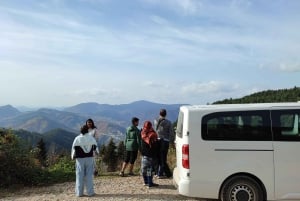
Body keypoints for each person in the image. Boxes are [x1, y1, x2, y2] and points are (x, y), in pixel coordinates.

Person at [71, 125, 99, 197]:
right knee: (89, 175)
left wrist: (72, 156)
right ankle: (90, 192)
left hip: (80, 159)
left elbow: (73, 149)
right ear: (88, 130)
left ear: (81, 131)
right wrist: (97, 153)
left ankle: (79, 193)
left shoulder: (77, 138)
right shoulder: (91, 138)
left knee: (79, 175)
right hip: (89, 158)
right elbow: (96, 147)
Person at [154, 109, 174, 178]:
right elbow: (171, 133)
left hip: (157, 140)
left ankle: (157, 172)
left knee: (158, 157)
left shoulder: (156, 121)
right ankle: (160, 173)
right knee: (163, 157)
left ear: (159, 114)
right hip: (165, 141)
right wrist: (171, 141)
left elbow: (155, 130)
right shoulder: (169, 123)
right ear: (166, 114)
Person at [140, 121, 159, 187]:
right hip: (151, 154)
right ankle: (150, 183)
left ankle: (145, 182)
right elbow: (156, 145)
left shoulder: (142, 133)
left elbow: (141, 144)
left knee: (144, 169)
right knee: (149, 169)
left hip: (144, 154)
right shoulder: (153, 134)